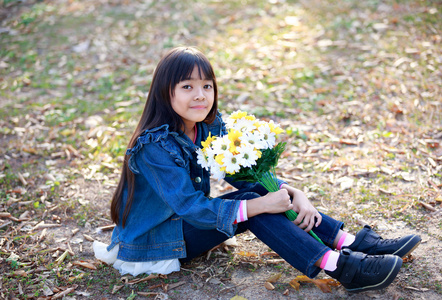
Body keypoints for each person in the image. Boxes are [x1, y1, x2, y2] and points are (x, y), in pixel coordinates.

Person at [93, 46, 421, 293]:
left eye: (207, 86)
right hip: (154, 242)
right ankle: (340, 266)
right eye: (188, 87)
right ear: (166, 93)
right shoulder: (155, 146)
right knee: (253, 207)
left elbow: (245, 175)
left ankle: (348, 242)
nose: (200, 95)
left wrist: (294, 193)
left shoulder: (206, 127)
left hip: (182, 226)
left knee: (255, 195)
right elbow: (190, 207)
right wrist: (261, 204)